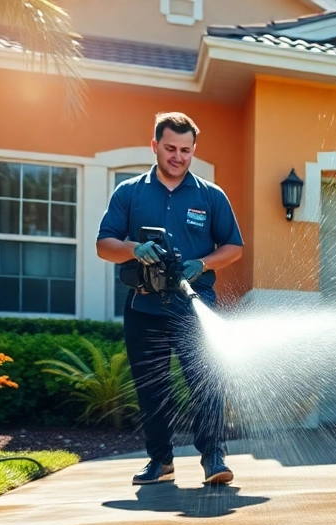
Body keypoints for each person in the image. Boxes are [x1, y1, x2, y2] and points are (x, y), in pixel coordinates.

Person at [96, 111, 243, 486]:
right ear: (155, 146)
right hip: (144, 306)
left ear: (194, 151)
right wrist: (133, 248)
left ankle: (213, 457)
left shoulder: (211, 196)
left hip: (194, 306)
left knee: (206, 383)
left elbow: (234, 248)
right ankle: (160, 462)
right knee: (152, 388)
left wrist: (202, 262)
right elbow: (104, 245)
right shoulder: (129, 192)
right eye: (170, 148)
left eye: (186, 150)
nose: (178, 156)